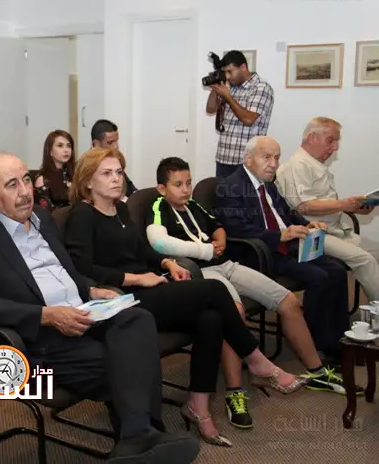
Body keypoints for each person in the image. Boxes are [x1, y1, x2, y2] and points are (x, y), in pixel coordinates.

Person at [0, 153, 200, 464]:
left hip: (82, 311)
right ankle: (143, 438)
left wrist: (92, 290)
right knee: (125, 359)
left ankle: (136, 439)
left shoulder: (42, 219)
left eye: (26, 180)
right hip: (38, 335)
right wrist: (47, 316)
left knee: (138, 321)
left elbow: (66, 272)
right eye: (12, 185)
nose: (25, 191)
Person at [63, 147, 306, 446]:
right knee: (214, 289)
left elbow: (141, 250)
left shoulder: (120, 210)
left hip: (149, 285)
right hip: (121, 299)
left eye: (119, 172)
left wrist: (167, 263)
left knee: (211, 318)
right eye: (107, 173)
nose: (116, 179)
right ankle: (256, 360)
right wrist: (137, 278)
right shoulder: (82, 215)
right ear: (88, 181)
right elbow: (82, 269)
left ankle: (198, 407)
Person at [146, 157, 354, 425]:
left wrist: (220, 242)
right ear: (162, 188)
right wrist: (206, 250)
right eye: (178, 185)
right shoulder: (158, 207)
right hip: (200, 273)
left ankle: (317, 371)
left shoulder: (193, 205)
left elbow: (217, 226)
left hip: (226, 264)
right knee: (234, 312)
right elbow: (159, 243)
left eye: (188, 183)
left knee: (288, 300)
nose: (186, 189)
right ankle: (235, 393)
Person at [216, 136, 350, 365]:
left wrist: (308, 224)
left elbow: (287, 213)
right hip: (260, 253)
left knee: (337, 270)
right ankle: (315, 345)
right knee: (319, 276)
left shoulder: (267, 182)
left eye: (277, 158)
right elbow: (236, 229)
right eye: (266, 157)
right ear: (248, 158)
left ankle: (340, 342)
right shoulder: (229, 187)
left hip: (287, 246)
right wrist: (280, 235)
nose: (273, 164)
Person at [276, 117, 379, 301]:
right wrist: (344, 204)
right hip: (312, 234)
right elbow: (304, 206)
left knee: (376, 252)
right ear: (312, 137)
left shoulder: (313, 164)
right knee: (364, 260)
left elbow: (323, 202)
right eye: (330, 140)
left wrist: (353, 207)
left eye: (336, 141)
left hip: (335, 230)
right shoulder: (297, 165)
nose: (335, 147)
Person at [205, 50, 274, 179]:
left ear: (243, 67)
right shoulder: (230, 87)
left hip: (247, 161)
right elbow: (210, 109)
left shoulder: (260, 88)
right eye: (225, 73)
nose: (228, 76)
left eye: (230, 71)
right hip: (224, 157)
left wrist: (228, 97)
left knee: (245, 193)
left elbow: (248, 119)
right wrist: (216, 87)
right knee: (223, 192)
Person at [90, 119, 137, 197]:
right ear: (96, 144)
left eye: (116, 141)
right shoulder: (85, 165)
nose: (116, 146)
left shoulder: (114, 161)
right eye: (110, 143)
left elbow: (131, 190)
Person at [34, 130, 75, 211]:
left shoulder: (75, 174)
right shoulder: (42, 180)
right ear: (50, 151)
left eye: (69, 146)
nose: (66, 150)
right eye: (60, 146)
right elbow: (44, 213)